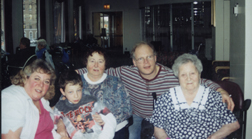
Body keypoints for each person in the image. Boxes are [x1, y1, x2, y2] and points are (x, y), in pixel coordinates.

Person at [76, 41, 235, 139]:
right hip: (138, 115)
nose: (145, 62)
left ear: (155, 57)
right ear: (134, 62)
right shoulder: (126, 72)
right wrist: (72, 75)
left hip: (163, 117)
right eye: (140, 59)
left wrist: (221, 91)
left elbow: (199, 80)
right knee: (132, 136)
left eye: (149, 57)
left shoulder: (170, 75)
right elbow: (96, 70)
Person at [149, 53, 240, 139]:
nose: (188, 78)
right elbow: (157, 130)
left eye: (192, 73)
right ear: (177, 77)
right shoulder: (165, 99)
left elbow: (233, 124)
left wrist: (213, 137)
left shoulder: (214, 97)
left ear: (199, 74)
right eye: (183, 75)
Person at [1, 59, 68, 139]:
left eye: (46, 81)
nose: (41, 85)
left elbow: (54, 113)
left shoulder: (42, 100)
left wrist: (60, 123)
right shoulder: (11, 98)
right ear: (25, 78)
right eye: (37, 78)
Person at [76, 47, 132, 139]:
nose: (96, 65)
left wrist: (106, 120)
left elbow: (127, 109)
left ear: (105, 64)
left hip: (116, 129)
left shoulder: (115, 82)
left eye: (100, 61)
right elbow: (64, 106)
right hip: (85, 130)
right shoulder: (76, 82)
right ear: (86, 62)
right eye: (92, 61)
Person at [53, 70, 117, 139]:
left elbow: (111, 119)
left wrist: (105, 136)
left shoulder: (92, 100)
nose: (76, 96)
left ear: (81, 88)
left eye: (78, 90)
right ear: (63, 91)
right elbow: (52, 128)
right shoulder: (59, 107)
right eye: (71, 92)